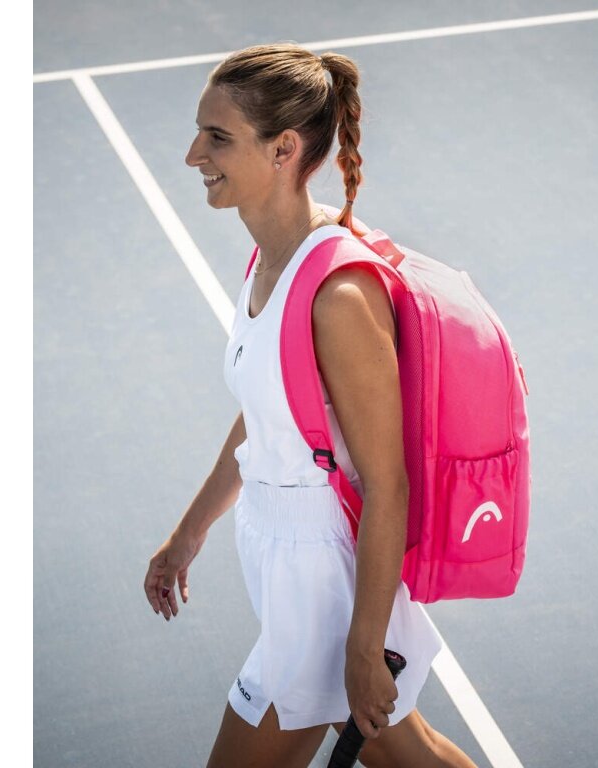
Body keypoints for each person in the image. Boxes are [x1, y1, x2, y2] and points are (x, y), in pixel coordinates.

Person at [144, 43, 478, 768]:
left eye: (218, 137)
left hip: (326, 582)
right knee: (407, 755)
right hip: (284, 560)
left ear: (284, 148)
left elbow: (388, 485)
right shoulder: (268, 258)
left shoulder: (339, 297)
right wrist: (189, 533)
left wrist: (363, 647)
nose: (193, 154)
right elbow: (271, 413)